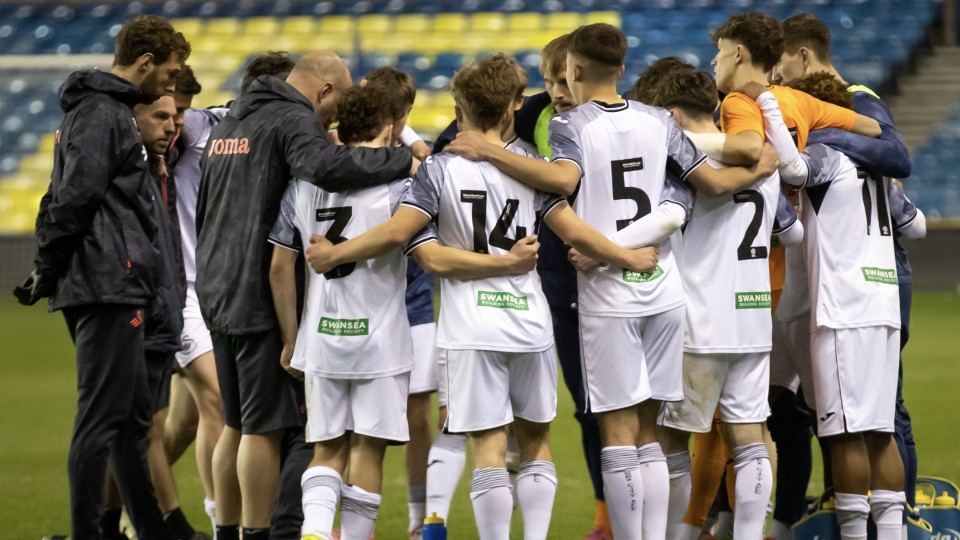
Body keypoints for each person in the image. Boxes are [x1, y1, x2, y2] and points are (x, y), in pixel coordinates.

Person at [304, 53, 665, 540]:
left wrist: (335, 254)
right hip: (529, 322)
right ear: (513, 105)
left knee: (489, 448)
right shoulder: (530, 169)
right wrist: (627, 255)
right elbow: (574, 229)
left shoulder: (438, 171)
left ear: (459, 104)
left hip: (471, 327)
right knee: (536, 441)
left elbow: (410, 241)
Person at [445, 23, 776, 540]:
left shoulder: (568, 125)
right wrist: (762, 167)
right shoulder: (659, 121)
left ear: (573, 71)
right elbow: (709, 182)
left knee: (618, 436)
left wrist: (490, 152)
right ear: (622, 68)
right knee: (653, 436)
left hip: (609, 293)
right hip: (663, 289)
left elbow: (563, 181)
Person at [194, 50, 414, 539]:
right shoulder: (291, 119)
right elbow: (322, 167)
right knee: (263, 429)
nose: (326, 123)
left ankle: (225, 531)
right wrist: (401, 157)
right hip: (261, 296)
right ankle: (259, 534)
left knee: (235, 421)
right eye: (327, 112)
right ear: (324, 91)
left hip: (215, 283)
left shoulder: (232, 119)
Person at [13, 14, 190, 540]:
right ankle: (87, 533)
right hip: (109, 283)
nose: (172, 82)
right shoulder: (104, 114)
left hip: (114, 279)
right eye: (171, 70)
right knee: (100, 419)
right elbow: (73, 198)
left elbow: (66, 195)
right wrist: (47, 265)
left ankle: (150, 531)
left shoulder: (102, 113)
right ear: (145, 62)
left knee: (131, 422)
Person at [747, 71, 925, 540]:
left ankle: (850, 533)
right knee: (880, 428)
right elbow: (918, 226)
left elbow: (794, 171)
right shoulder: (879, 170)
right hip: (884, 297)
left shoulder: (829, 152)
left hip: (843, 306)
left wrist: (765, 105)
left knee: (844, 431)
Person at [630, 60, 802, 540]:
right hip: (751, 321)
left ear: (674, 117)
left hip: (697, 321)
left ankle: (669, 536)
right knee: (750, 440)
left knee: (671, 442)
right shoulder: (762, 164)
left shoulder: (684, 167)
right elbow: (792, 232)